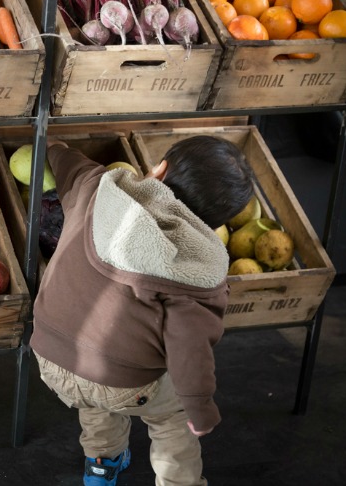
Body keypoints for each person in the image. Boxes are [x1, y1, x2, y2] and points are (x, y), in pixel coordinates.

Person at [30, 135, 255, 486]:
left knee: (94, 397)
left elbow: (71, 167)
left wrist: (55, 147)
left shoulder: (99, 189)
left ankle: (102, 466)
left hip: (52, 355)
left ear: (160, 170)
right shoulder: (195, 267)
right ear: (215, 224)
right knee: (172, 417)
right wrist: (199, 407)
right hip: (124, 380)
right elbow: (190, 347)